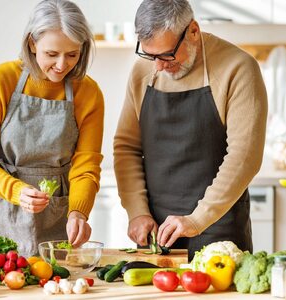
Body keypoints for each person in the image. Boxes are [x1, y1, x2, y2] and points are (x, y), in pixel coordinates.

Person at [113, 0, 267, 261]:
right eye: (151, 56)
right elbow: (126, 147)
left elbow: (244, 157)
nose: (159, 66)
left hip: (219, 228)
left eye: (167, 55)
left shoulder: (238, 68)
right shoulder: (143, 71)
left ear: (193, 31)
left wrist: (197, 219)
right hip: (157, 233)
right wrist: (137, 212)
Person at [0, 0, 104, 257]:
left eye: (72, 54)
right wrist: (16, 190)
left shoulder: (89, 92)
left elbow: (86, 165)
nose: (62, 65)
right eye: (52, 54)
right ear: (32, 43)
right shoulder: (1, 80)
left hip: (55, 219)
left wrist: (78, 212)